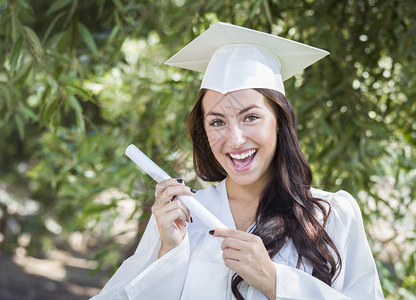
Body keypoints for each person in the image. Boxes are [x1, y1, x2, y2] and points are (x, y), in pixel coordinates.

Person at [91, 22, 384, 300]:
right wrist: (169, 252)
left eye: (251, 117)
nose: (235, 139)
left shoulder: (331, 215)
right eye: (217, 122)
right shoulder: (183, 218)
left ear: (279, 122)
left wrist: (274, 281)